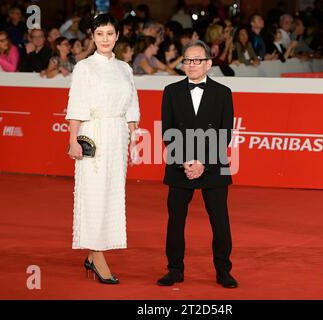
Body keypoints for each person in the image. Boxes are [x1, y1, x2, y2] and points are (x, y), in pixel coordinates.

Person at [66, 14, 140, 284]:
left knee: (111, 196)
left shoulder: (125, 68)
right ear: (92, 37)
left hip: (117, 136)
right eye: (100, 34)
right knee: (93, 195)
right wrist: (73, 139)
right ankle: (98, 257)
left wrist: (134, 137)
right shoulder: (84, 68)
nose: (105, 39)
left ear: (117, 36)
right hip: (93, 133)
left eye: (110, 34)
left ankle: (93, 253)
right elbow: (76, 105)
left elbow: (132, 104)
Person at [158, 40, 237, 289]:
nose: (191, 65)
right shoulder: (170, 91)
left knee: (220, 220)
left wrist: (203, 163)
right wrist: (186, 161)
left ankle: (223, 270)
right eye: (187, 60)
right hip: (180, 163)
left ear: (208, 64)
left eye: (197, 60)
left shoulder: (223, 93)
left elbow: (224, 134)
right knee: (175, 220)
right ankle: (174, 269)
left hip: (213, 164)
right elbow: (168, 132)